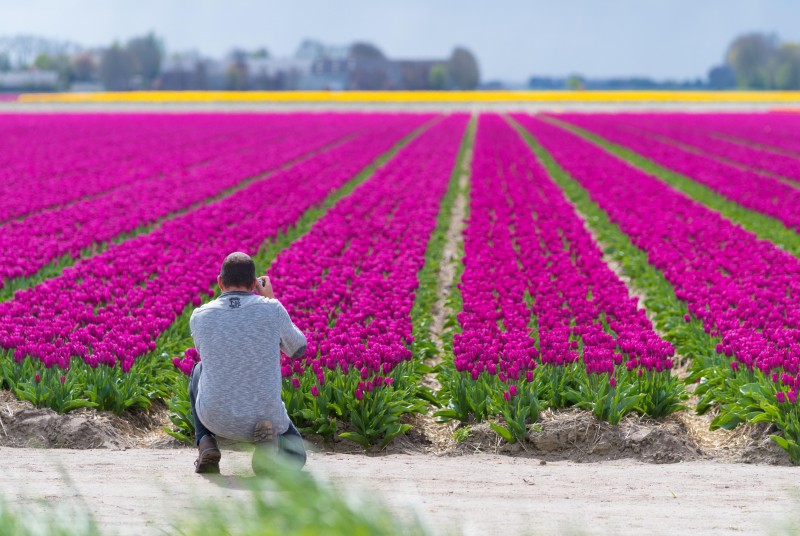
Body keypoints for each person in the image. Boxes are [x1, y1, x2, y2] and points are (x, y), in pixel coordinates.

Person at [188, 251, 308, 474]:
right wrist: (271, 300)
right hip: (266, 417)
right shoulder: (272, 309)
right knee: (296, 457)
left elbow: (208, 354)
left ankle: (205, 442)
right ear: (255, 283)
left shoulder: (200, 315)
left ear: (220, 282)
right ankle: (268, 450)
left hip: (215, 417)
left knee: (199, 369)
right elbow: (299, 349)